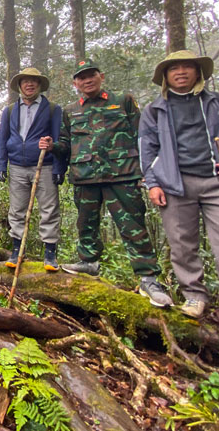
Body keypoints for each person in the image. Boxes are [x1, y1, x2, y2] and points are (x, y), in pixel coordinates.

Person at [139, 50, 219, 336]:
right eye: (174, 69)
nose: (180, 72)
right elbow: (146, 149)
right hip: (175, 183)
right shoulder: (155, 110)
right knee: (181, 242)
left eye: (187, 67)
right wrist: (152, 183)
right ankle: (194, 295)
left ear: (198, 72)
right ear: (165, 76)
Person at [39, 59, 173, 308]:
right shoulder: (71, 110)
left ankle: (148, 277)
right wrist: (52, 146)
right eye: (81, 77)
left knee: (132, 226)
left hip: (122, 174)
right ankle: (88, 262)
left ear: (101, 76)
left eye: (91, 75)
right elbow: (67, 145)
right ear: (75, 83)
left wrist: (148, 172)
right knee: (86, 224)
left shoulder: (123, 101)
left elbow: (142, 137)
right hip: (85, 176)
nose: (87, 80)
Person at [0, 68, 65, 271]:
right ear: (19, 85)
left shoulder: (52, 109)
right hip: (17, 166)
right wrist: (1, 164)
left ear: (39, 85)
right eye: (25, 81)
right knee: (16, 210)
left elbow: (59, 140)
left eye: (34, 81)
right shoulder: (10, 110)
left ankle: (50, 253)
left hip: (44, 165)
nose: (29, 84)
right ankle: (17, 250)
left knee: (49, 209)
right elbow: (2, 139)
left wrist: (59, 167)